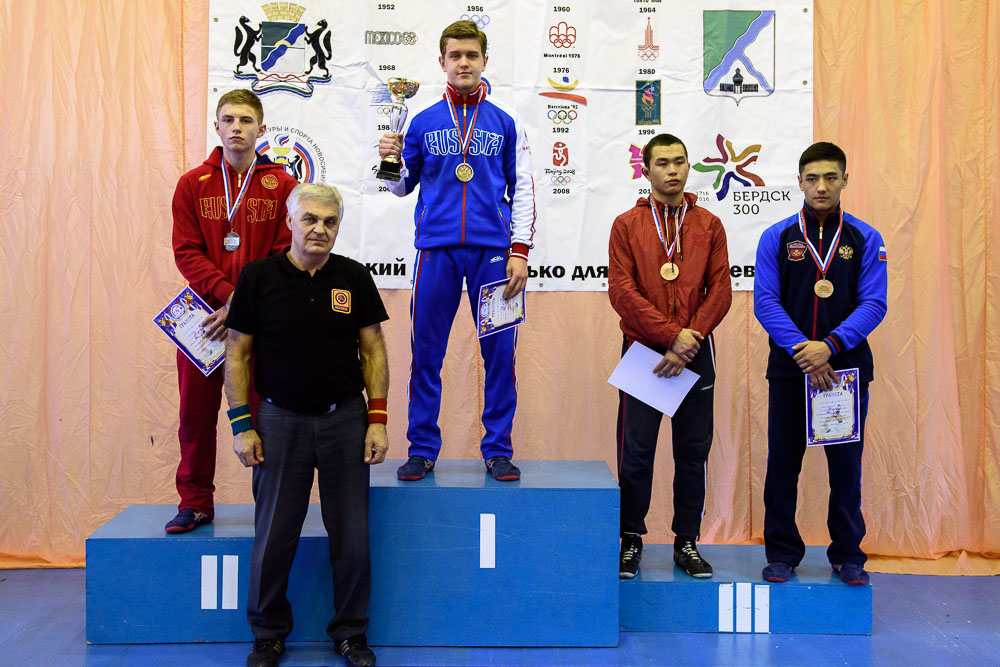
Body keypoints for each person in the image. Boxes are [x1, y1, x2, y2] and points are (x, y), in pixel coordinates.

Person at [224, 184, 389, 667]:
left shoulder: (354, 277)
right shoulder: (258, 277)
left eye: (330, 221)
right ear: (290, 222)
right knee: (274, 535)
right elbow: (237, 352)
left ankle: (351, 633)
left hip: (345, 421)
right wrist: (241, 425)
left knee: (352, 537)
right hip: (279, 422)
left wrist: (377, 420)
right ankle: (268, 634)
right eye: (310, 219)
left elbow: (373, 349)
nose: (320, 229)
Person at [377, 19, 535, 482]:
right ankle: (422, 448)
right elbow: (399, 187)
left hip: (493, 253)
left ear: (484, 61)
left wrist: (520, 250)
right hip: (436, 252)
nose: (463, 63)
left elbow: (523, 187)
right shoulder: (423, 121)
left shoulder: (506, 120)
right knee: (426, 353)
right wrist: (388, 158)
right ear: (442, 62)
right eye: (455, 55)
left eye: (471, 55)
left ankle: (498, 449)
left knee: (500, 355)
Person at [753, 141, 888, 586]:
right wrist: (805, 352)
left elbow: (874, 303)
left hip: (844, 372)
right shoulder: (776, 237)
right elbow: (766, 303)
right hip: (791, 370)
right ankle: (781, 553)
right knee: (783, 464)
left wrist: (829, 346)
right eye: (812, 178)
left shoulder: (866, 238)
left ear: (845, 180)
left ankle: (848, 554)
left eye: (831, 177)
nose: (821, 187)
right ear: (799, 182)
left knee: (845, 467)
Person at [166, 89, 297, 534]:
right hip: (204, 321)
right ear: (217, 127)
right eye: (228, 120)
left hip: (260, 321)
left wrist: (243, 302)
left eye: (246, 120)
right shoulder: (192, 184)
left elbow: (285, 253)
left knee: (267, 416)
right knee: (195, 415)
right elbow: (186, 251)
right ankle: (195, 501)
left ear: (262, 128)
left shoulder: (283, 186)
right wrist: (226, 295)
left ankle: (270, 505)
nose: (237, 127)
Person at [608, 134, 733, 579]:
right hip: (644, 352)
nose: (673, 170)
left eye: (679, 161)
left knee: (693, 454)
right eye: (662, 163)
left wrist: (688, 340)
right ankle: (630, 539)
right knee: (636, 453)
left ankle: (687, 542)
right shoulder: (626, 225)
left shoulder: (709, 224)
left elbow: (721, 290)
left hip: (695, 351)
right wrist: (670, 336)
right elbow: (622, 292)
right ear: (645, 170)